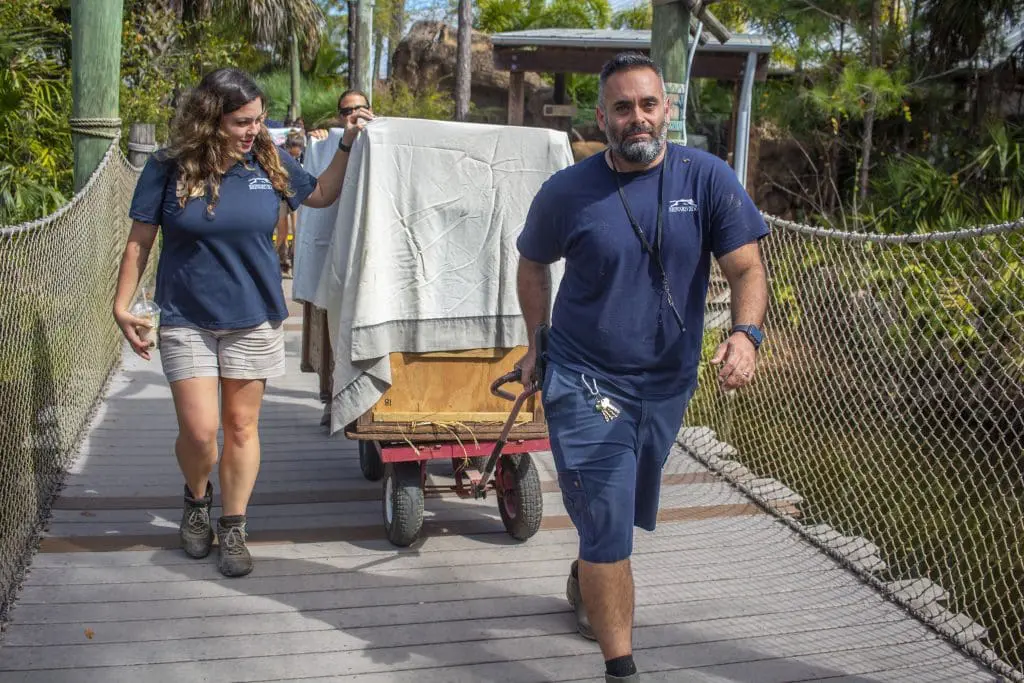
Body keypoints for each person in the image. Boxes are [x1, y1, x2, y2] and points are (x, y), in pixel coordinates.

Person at [515, 52, 769, 683]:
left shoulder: (707, 178)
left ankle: (588, 571)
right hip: (587, 381)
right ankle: (620, 667)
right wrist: (537, 340)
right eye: (622, 107)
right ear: (601, 116)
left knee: (622, 502)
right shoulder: (566, 191)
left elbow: (746, 268)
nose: (636, 118)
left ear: (668, 109)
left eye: (647, 105)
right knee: (606, 508)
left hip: (667, 381)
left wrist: (746, 334)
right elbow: (531, 263)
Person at [112, 67, 373, 578]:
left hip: (253, 316)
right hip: (186, 317)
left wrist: (346, 145)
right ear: (210, 120)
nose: (254, 129)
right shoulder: (169, 167)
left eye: (257, 119)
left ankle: (232, 524)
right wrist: (123, 305)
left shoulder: (268, 159)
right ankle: (196, 497)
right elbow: (140, 240)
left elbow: (319, 195)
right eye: (241, 121)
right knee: (200, 430)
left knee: (241, 425)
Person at [308, 89, 373, 141]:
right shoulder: (332, 139)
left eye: (360, 109)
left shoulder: (382, 134)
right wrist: (315, 136)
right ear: (340, 117)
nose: (355, 114)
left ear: (370, 111)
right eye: (347, 111)